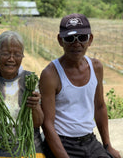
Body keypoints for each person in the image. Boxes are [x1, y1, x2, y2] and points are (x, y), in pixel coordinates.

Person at [39, 13, 121, 158]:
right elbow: (47, 124)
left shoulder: (96, 67)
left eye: (82, 38)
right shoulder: (51, 74)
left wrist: (108, 146)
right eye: (70, 38)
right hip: (62, 143)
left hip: (89, 140)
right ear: (60, 40)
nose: (76, 43)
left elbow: (100, 107)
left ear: (90, 40)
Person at [0, 31, 45, 158]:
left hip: (29, 148)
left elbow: (38, 123)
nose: (11, 59)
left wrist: (35, 106)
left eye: (17, 54)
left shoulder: (30, 80)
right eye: (6, 53)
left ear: (22, 56)